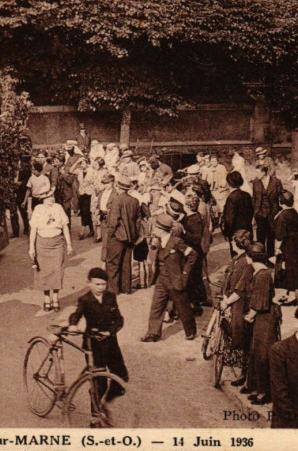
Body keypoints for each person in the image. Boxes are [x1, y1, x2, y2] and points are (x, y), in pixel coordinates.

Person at [66, 267, 129, 426]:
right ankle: (95, 417)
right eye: (97, 284)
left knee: (122, 376)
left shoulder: (110, 297)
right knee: (99, 382)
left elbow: (119, 319)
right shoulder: (85, 299)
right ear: (89, 283)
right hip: (93, 344)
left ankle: (105, 403)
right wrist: (73, 325)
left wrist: (111, 331)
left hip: (110, 342)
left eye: (103, 284)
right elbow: (76, 315)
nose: (101, 287)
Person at [141, 214, 198, 342]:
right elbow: (153, 259)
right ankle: (153, 333)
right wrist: (153, 247)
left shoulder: (176, 242)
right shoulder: (158, 242)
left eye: (155, 228)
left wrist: (184, 273)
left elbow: (193, 255)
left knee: (183, 306)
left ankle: (190, 331)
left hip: (175, 280)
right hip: (162, 279)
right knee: (157, 306)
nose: (153, 231)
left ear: (161, 230)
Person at [243, 242, 282, 406]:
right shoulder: (260, 272)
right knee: (257, 352)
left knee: (263, 354)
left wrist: (250, 315)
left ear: (251, 258)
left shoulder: (262, 275)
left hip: (266, 318)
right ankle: (257, 388)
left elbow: (260, 300)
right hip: (262, 317)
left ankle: (265, 391)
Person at [27, 178, 73, 312]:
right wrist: (31, 247)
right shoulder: (38, 209)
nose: (51, 199)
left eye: (52, 196)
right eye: (48, 197)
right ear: (42, 199)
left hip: (57, 244)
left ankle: (56, 298)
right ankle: (47, 299)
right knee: (44, 273)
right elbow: (33, 229)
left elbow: (65, 226)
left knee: (57, 271)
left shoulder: (58, 207)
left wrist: (69, 244)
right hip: (42, 244)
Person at [218, 230, 254, 388]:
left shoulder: (245, 263)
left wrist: (227, 301)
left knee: (240, 336)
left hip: (240, 305)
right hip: (232, 301)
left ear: (236, 243)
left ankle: (244, 373)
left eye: (233, 242)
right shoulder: (238, 259)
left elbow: (240, 289)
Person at [104, 176, 140, 295]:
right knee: (126, 263)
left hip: (118, 235)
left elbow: (114, 221)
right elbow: (137, 220)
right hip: (130, 236)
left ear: (118, 187)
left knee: (112, 263)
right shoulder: (134, 201)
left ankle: (113, 290)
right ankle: (126, 288)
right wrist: (134, 235)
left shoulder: (117, 200)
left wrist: (109, 235)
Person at [273, 191, 298, 306]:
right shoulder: (294, 212)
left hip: (287, 245)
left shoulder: (282, 215)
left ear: (280, 202)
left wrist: (277, 248)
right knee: (292, 268)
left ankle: (291, 296)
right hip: (296, 244)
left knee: (286, 270)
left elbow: (279, 234)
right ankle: (289, 293)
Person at [252, 161, 283, 257]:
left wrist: (279, 212)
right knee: (260, 238)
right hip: (260, 213)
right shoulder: (256, 182)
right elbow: (254, 198)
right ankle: (261, 259)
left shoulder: (276, 182)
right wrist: (254, 214)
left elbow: (281, 197)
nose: (256, 175)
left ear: (264, 173)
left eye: (257, 172)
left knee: (271, 236)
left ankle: (270, 258)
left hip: (272, 213)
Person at [222, 171, 254, 257]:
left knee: (237, 255)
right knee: (248, 253)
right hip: (247, 228)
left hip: (236, 232)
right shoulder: (247, 195)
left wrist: (226, 233)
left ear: (229, 184)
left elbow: (229, 219)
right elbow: (251, 212)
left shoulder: (231, 198)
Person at [10, 154, 32, 237]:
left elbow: (29, 179)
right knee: (13, 212)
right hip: (12, 191)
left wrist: (21, 183)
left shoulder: (26, 166)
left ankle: (26, 228)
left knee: (23, 211)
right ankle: (15, 232)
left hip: (21, 192)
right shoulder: (10, 167)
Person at [93, 172, 114, 244]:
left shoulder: (116, 193)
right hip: (103, 216)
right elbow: (98, 204)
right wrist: (97, 210)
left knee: (111, 238)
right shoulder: (101, 192)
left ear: (112, 182)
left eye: (107, 183)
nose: (106, 185)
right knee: (105, 239)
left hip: (111, 217)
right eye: (104, 184)